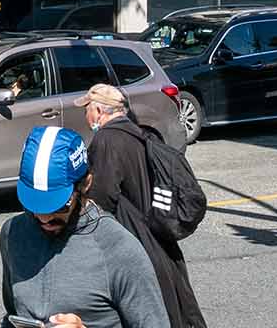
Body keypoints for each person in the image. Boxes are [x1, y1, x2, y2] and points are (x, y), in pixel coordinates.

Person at [2, 125, 170, 328]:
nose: (44, 218)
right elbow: (12, 315)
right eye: (34, 204)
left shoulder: (120, 250)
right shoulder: (13, 233)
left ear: (86, 184)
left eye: (58, 206)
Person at [78, 84, 204, 328]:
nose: (85, 115)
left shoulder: (106, 140)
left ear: (98, 111)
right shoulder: (137, 133)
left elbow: (101, 201)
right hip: (159, 243)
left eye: (87, 109)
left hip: (136, 245)